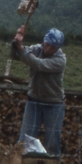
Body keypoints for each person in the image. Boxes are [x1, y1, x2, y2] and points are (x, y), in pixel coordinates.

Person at [10, 25, 67, 156]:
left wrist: (21, 48)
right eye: (47, 45)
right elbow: (15, 55)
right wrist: (16, 42)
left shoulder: (60, 60)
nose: (48, 49)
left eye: (53, 47)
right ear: (44, 41)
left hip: (54, 103)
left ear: (58, 48)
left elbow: (38, 64)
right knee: (24, 141)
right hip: (34, 100)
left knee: (52, 143)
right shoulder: (36, 49)